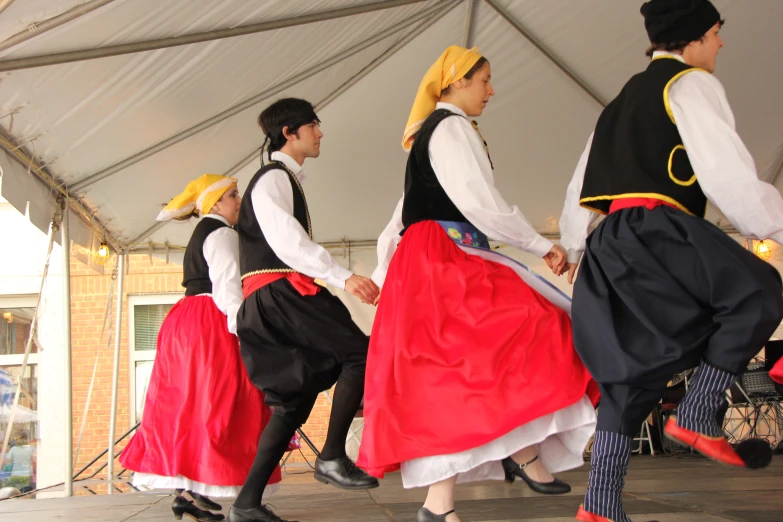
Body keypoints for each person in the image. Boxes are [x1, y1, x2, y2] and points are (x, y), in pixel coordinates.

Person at [557, 2, 783, 520]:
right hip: (657, 229)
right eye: (715, 33)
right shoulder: (691, 85)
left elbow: (580, 182)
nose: (720, 44)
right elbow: (726, 171)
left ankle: (600, 507)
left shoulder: (618, 103)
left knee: (629, 375)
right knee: (758, 291)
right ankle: (699, 412)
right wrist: (771, 224)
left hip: (609, 242)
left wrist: (572, 246)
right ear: (694, 38)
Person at [357, 46, 599, 522]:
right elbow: (478, 202)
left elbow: (399, 217)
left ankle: (492, 472)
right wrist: (537, 243)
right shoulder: (448, 128)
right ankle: (486, 475)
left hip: (432, 260)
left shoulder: (436, 133)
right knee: (535, 330)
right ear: (455, 82)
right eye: (485, 80)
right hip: (444, 261)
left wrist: (386, 276)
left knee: (466, 369)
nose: (492, 90)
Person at [229, 98, 380, 522]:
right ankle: (332, 456)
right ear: (289, 133)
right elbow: (288, 243)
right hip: (280, 293)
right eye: (314, 125)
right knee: (360, 353)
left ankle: (246, 504)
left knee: (292, 401)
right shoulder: (274, 178)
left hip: (266, 299)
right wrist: (342, 276)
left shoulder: (279, 179)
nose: (320, 132)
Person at [121, 175, 280, 522]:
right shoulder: (222, 233)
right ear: (215, 204)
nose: (239, 201)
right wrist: (251, 332)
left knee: (191, 404)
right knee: (225, 403)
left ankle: (187, 494)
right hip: (212, 323)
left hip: (186, 320)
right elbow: (227, 291)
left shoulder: (203, 232)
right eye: (233, 196)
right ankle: (224, 492)